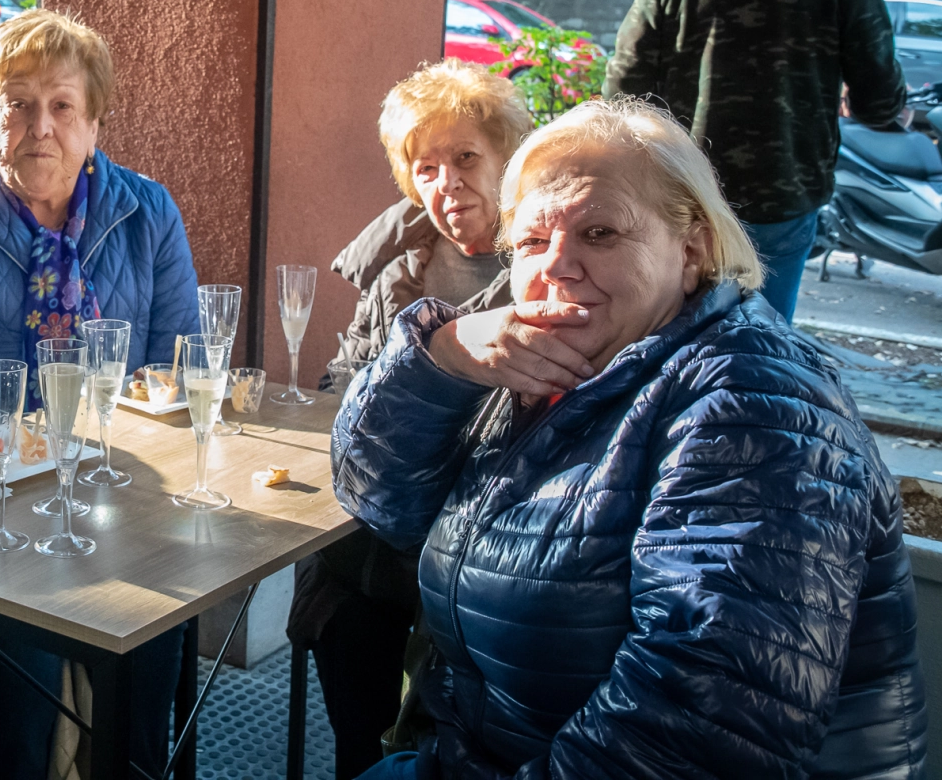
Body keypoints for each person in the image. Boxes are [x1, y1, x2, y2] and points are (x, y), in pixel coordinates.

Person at [336, 98, 924, 780]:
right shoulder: (536, 352)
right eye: (529, 241)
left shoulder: (754, 401)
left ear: (692, 247)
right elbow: (380, 500)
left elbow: (701, 722)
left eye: (601, 233)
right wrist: (440, 357)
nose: (555, 267)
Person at [0, 7, 200, 780]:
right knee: (16, 633)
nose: (37, 126)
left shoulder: (146, 211)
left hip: (122, 480)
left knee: (154, 619)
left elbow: (173, 372)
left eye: (60, 106)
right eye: (14, 103)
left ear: (93, 123)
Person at [293, 60, 529, 780]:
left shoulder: (545, 264)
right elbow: (341, 380)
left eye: (465, 159)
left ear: (509, 161)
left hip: (472, 543)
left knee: (433, 735)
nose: (446, 184)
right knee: (352, 700)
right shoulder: (401, 263)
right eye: (425, 168)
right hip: (367, 544)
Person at [605, 0, 907, 323]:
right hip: (783, 197)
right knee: (761, 341)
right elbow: (880, 102)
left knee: (667, 331)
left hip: (681, 193)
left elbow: (620, 97)